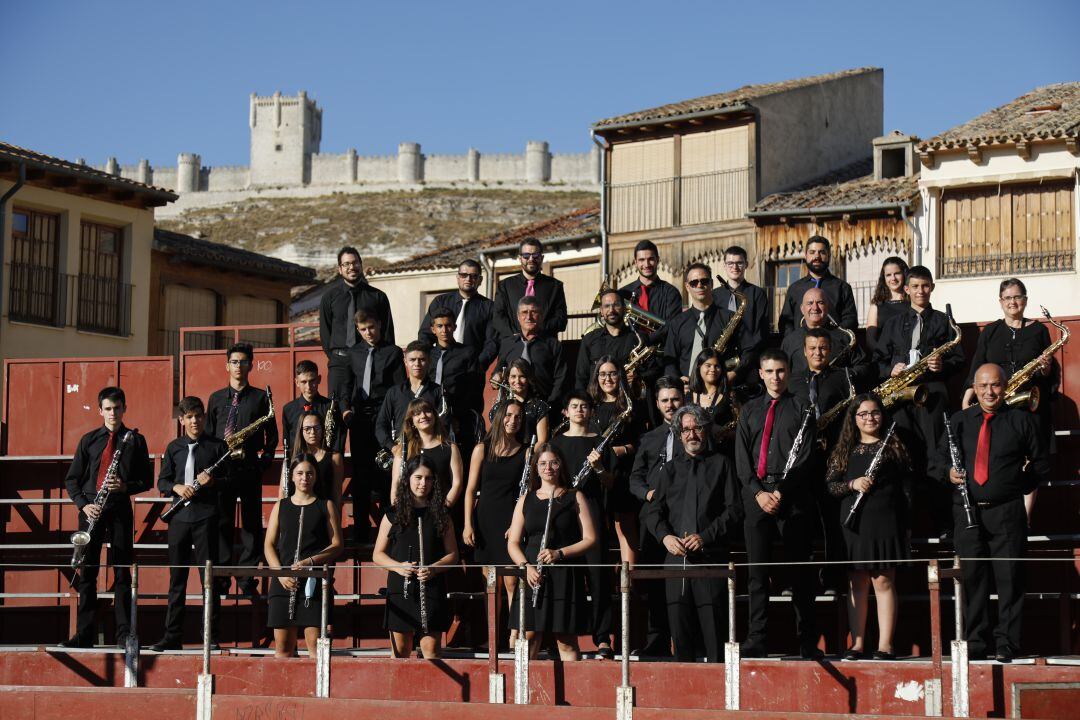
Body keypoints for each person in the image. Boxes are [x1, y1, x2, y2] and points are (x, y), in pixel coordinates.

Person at [932, 364, 1049, 663]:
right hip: (967, 512)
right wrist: (949, 474)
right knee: (973, 580)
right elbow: (936, 462)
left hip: (1007, 512)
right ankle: (977, 641)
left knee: (1011, 580)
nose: (989, 392)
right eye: (983, 386)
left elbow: (1041, 464)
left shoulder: (1022, 421)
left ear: (1005, 386)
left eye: (995, 385)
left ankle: (1007, 643)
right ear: (974, 387)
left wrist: (1015, 485)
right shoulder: (958, 422)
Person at [734, 350, 820, 659]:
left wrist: (781, 492)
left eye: (781, 370)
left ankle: (808, 641)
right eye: (769, 371)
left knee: (800, 573)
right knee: (757, 574)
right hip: (757, 496)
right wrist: (759, 493)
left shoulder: (802, 408)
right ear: (760, 373)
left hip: (792, 496)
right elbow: (742, 458)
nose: (775, 377)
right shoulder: (749, 410)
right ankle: (757, 638)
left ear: (788, 371)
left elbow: (806, 457)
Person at [643, 405, 742, 662]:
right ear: (679, 434)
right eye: (686, 429)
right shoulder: (670, 470)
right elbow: (651, 512)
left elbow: (734, 510)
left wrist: (705, 536)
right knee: (681, 639)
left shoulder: (722, 464)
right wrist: (665, 537)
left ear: (706, 430)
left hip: (711, 561)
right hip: (676, 565)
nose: (692, 434)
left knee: (715, 639)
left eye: (697, 428)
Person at [873, 265, 965, 536]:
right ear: (906, 289)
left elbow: (959, 359)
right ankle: (906, 525)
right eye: (915, 286)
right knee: (903, 457)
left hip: (932, 396)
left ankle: (943, 523)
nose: (920, 291)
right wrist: (890, 369)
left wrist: (942, 365)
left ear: (932, 287)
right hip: (900, 399)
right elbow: (877, 361)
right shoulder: (892, 324)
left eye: (925, 286)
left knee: (937, 456)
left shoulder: (944, 321)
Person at [61, 386, 152, 649]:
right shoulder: (88, 440)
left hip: (120, 509)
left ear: (124, 408)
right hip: (92, 510)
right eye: (108, 409)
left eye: (117, 408)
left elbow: (145, 480)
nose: (113, 413)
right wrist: (83, 506)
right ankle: (84, 635)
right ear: (100, 411)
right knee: (87, 573)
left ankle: (123, 635)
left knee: (122, 572)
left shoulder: (136, 440)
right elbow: (72, 480)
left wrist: (125, 487)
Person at [962, 278, 1056, 521]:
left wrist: (1045, 369)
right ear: (1000, 302)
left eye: (1017, 297)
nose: (1013, 302)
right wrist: (967, 397)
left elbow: (1050, 375)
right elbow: (977, 366)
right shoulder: (991, 331)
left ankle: (1024, 518)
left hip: (1029, 404)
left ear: (1025, 300)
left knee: (1030, 461)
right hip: (999, 405)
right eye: (1008, 298)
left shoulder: (1039, 331)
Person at [826, 395, 911, 660]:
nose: (870, 418)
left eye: (875, 413)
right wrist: (853, 484)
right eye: (862, 414)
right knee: (857, 583)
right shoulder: (845, 450)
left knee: (883, 581)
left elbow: (907, 489)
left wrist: (906, 525)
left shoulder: (894, 447)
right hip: (855, 523)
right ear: (854, 419)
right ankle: (858, 643)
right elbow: (831, 486)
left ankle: (885, 644)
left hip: (886, 522)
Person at [152, 396, 228, 652]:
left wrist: (213, 482)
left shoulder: (218, 446)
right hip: (179, 519)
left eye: (198, 416)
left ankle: (211, 635)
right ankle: (172, 635)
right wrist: (177, 486)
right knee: (177, 579)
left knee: (209, 579)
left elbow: (231, 481)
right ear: (182, 420)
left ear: (204, 417)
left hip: (206, 518)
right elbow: (162, 482)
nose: (194, 421)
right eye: (189, 417)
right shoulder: (174, 447)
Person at [507, 444, 596, 661]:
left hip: (564, 573)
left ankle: (574, 693)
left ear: (561, 466)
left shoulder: (574, 496)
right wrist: (525, 568)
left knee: (565, 640)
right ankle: (525, 694)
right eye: (543, 463)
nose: (548, 468)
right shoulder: (525, 499)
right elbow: (513, 542)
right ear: (536, 468)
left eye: (554, 462)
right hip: (532, 575)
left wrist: (560, 553)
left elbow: (590, 539)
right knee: (528, 637)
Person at [205, 343, 278, 600]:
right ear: (227, 365)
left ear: (251, 365)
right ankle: (223, 578)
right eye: (234, 362)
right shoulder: (214, 398)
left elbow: (272, 435)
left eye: (243, 362)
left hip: (248, 468)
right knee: (222, 523)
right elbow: (208, 434)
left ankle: (247, 578)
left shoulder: (260, 398)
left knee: (250, 525)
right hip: (223, 469)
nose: (238, 366)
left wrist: (264, 461)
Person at [789, 328, 856, 594]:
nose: (818, 353)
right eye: (813, 348)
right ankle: (800, 581)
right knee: (801, 522)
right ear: (804, 351)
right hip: (802, 461)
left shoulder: (842, 379)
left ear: (831, 350)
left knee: (832, 521)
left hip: (832, 458)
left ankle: (832, 579)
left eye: (823, 348)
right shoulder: (792, 381)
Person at [373, 454, 460, 659]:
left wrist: (434, 569)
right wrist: (398, 567)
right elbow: (377, 554)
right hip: (400, 588)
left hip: (431, 587)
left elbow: (453, 555)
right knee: (401, 652)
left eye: (428, 478)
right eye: (418, 477)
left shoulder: (442, 514)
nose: (423, 483)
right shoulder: (393, 514)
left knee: (431, 652)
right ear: (408, 479)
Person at [551, 392, 616, 659]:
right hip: (564, 515)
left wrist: (599, 467)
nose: (580, 410)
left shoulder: (601, 443)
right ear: (566, 412)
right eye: (574, 406)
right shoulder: (555, 444)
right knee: (567, 578)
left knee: (598, 577)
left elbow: (611, 483)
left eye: (585, 407)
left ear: (591, 412)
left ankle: (603, 638)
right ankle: (567, 634)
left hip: (593, 513)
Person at [264, 454, 343, 659]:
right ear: (291, 476)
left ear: (315, 476)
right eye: (299, 473)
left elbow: (337, 544)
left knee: (316, 651)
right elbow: (269, 545)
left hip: (313, 583)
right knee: (282, 650)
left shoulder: (325, 505)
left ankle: (317, 691)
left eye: (309, 473)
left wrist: (311, 562)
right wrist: (281, 574)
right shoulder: (281, 505)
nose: (304, 478)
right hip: (283, 582)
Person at [628, 376, 684, 657]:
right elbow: (634, 478)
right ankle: (657, 639)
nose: (671, 405)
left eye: (675, 399)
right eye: (665, 400)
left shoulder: (694, 432)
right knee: (654, 581)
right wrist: (648, 494)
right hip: (653, 519)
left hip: (685, 514)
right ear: (658, 404)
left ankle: (685, 639)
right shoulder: (649, 439)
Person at [462, 400, 527, 638]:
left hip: (511, 520)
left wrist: (518, 525)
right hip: (485, 520)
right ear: (499, 417)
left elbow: (526, 493)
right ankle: (492, 636)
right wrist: (468, 524)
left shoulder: (526, 451)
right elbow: (470, 490)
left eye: (518, 417)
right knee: (491, 584)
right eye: (508, 415)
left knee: (511, 582)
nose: (513, 420)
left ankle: (514, 635)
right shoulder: (482, 449)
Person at [341, 310, 404, 525]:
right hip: (359, 419)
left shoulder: (393, 352)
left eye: (372, 328)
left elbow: (398, 388)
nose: (368, 333)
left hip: (383, 417)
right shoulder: (353, 353)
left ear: (379, 325)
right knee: (361, 475)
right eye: (363, 329)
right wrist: (346, 409)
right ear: (358, 330)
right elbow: (346, 385)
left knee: (386, 472)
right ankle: (360, 530)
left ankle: (390, 530)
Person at [587, 359, 644, 567]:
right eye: (602, 374)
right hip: (596, 473)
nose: (607, 379)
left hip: (623, 472)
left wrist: (622, 449)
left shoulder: (631, 405)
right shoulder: (591, 406)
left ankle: (629, 581)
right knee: (598, 527)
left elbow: (642, 442)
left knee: (625, 527)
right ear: (596, 378)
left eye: (612, 373)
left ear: (620, 376)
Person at [321, 246, 395, 404]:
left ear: (361, 265)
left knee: (369, 410)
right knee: (335, 412)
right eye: (346, 264)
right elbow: (325, 332)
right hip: (339, 363)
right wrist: (334, 356)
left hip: (369, 362)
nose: (351, 267)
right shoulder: (329, 297)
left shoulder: (377, 297)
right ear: (340, 269)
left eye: (355, 263)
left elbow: (387, 331)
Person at [664, 263, 743, 389]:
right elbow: (670, 360)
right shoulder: (677, 322)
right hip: (687, 391)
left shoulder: (729, 318)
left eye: (704, 281)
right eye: (694, 283)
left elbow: (748, 352)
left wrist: (733, 374)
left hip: (720, 389)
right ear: (687, 286)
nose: (699, 285)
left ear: (711, 283)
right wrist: (677, 381)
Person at [418, 258, 499, 372]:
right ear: (457, 278)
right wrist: (432, 360)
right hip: (439, 366)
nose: (468, 279)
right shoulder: (440, 302)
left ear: (480, 280)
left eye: (473, 276)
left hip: (472, 371)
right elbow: (425, 334)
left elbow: (492, 342)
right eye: (463, 275)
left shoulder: (490, 307)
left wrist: (477, 365)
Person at [779, 287, 871, 386]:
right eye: (810, 303)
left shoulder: (845, 337)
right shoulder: (790, 341)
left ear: (827, 307)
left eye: (820, 303)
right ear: (802, 309)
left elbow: (863, 367)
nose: (815, 307)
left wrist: (845, 375)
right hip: (800, 398)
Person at [389, 398, 464, 512]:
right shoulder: (403, 450)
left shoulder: (451, 448)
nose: (423, 415)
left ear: (434, 416)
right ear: (411, 421)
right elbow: (396, 484)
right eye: (417, 413)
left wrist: (443, 510)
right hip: (410, 514)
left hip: (441, 513)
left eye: (427, 411)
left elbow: (457, 484)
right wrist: (399, 511)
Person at [426, 307, 484, 454]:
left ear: (454, 327)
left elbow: (474, 388)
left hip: (458, 418)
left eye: (448, 325)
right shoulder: (428, 354)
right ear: (433, 329)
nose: (444, 330)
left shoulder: (467, 353)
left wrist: (457, 416)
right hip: (429, 416)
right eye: (439, 326)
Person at [495, 296, 567, 409]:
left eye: (533, 312)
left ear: (541, 316)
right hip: (512, 409)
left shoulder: (553, 345)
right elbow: (499, 368)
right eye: (524, 312)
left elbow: (561, 379)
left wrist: (549, 405)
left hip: (545, 406)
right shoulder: (507, 344)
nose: (529, 317)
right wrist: (497, 375)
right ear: (518, 317)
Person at [713, 245, 771, 385]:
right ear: (725, 266)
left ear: (746, 265)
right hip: (719, 363)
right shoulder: (714, 295)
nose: (735, 267)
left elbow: (760, 333)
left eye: (739, 263)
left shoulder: (758, 294)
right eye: (730, 263)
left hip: (749, 365)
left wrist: (743, 363)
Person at [778, 235, 858, 335]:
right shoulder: (794, 289)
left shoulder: (843, 288)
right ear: (806, 256)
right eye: (812, 252)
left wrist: (832, 340)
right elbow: (786, 323)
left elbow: (850, 320)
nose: (817, 256)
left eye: (822, 252)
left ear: (828, 255)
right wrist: (795, 342)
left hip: (833, 347)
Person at [492, 237, 568, 341]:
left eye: (535, 255)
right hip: (513, 345)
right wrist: (516, 335)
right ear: (520, 258)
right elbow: (498, 317)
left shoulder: (555, 286)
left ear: (541, 257)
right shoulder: (505, 286)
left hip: (544, 346)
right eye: (526, 256)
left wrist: (535, 331)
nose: (531, 259)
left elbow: (561, 320)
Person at [376, 341, 444, 455]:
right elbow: (380, 425)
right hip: (402, 452)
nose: (417, 364)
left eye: (422, 359)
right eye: (412, 360)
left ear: (429, 361)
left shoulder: (438, 391)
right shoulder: (394, 392)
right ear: (405, 362)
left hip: (431, 452)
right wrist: (392, 447)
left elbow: (444, 424)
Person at [575, 288, 645, 394]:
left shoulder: (638, 338)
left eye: (616, 305)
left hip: (628, 399)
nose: (611, 310)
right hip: (596, 403)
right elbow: (581, 377)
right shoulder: (589, 339)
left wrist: (637, 376)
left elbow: (651, 371)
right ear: (601, 311)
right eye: (607, 306)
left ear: (624, 308)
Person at [618, 240, 684, 348]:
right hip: (631, 351)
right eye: (642, 260)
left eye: (651, 259)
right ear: (635, 262)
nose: (646, 264)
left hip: (662, 355)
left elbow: (672, 325)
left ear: (657, 260)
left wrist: (648, 340)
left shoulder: (671, 292)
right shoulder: (623, 293)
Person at [282, 360, 343, 462]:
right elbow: (287, 442)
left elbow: (339, 439)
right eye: (303, 382)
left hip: (325, 464)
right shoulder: (288, 409)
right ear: (296, 382)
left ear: (319, 379)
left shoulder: (331, 407)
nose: (308, 387)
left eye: (312, 381)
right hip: (299, 465)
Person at [292, 410, 345, 514]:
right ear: (301, 431)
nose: (312, 433)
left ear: (323, 429)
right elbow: (282, 494)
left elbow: (337, 494)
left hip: (324, 514)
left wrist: (336, 524)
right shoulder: (293, 457)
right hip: (297, 513)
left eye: (316, 428)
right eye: (307, 429)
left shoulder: (335, 458)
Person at [490, 359, 550, 445]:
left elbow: (541, 441)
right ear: (508, 378)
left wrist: (528, 456)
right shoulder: (499, 407)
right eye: (513, 376)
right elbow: (495, 438)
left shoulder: (539, 407)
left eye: (522, 376)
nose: (517, 381)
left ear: (529, 379)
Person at [687, 349, 735, 443]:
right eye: (708, 365)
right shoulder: (687, 396)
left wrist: (725, 433)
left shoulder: (730, 396)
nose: (713, 369)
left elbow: (740, 431)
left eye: (717, 366)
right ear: (698, 367)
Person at [865, 257, 909, 350]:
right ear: (884, 278)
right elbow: (870, 339)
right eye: (888, 275)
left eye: (897, 273)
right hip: (883, 359)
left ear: (904, 274)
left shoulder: (913, 302)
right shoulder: (876, 305)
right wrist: (883, 355)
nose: (893, 278)